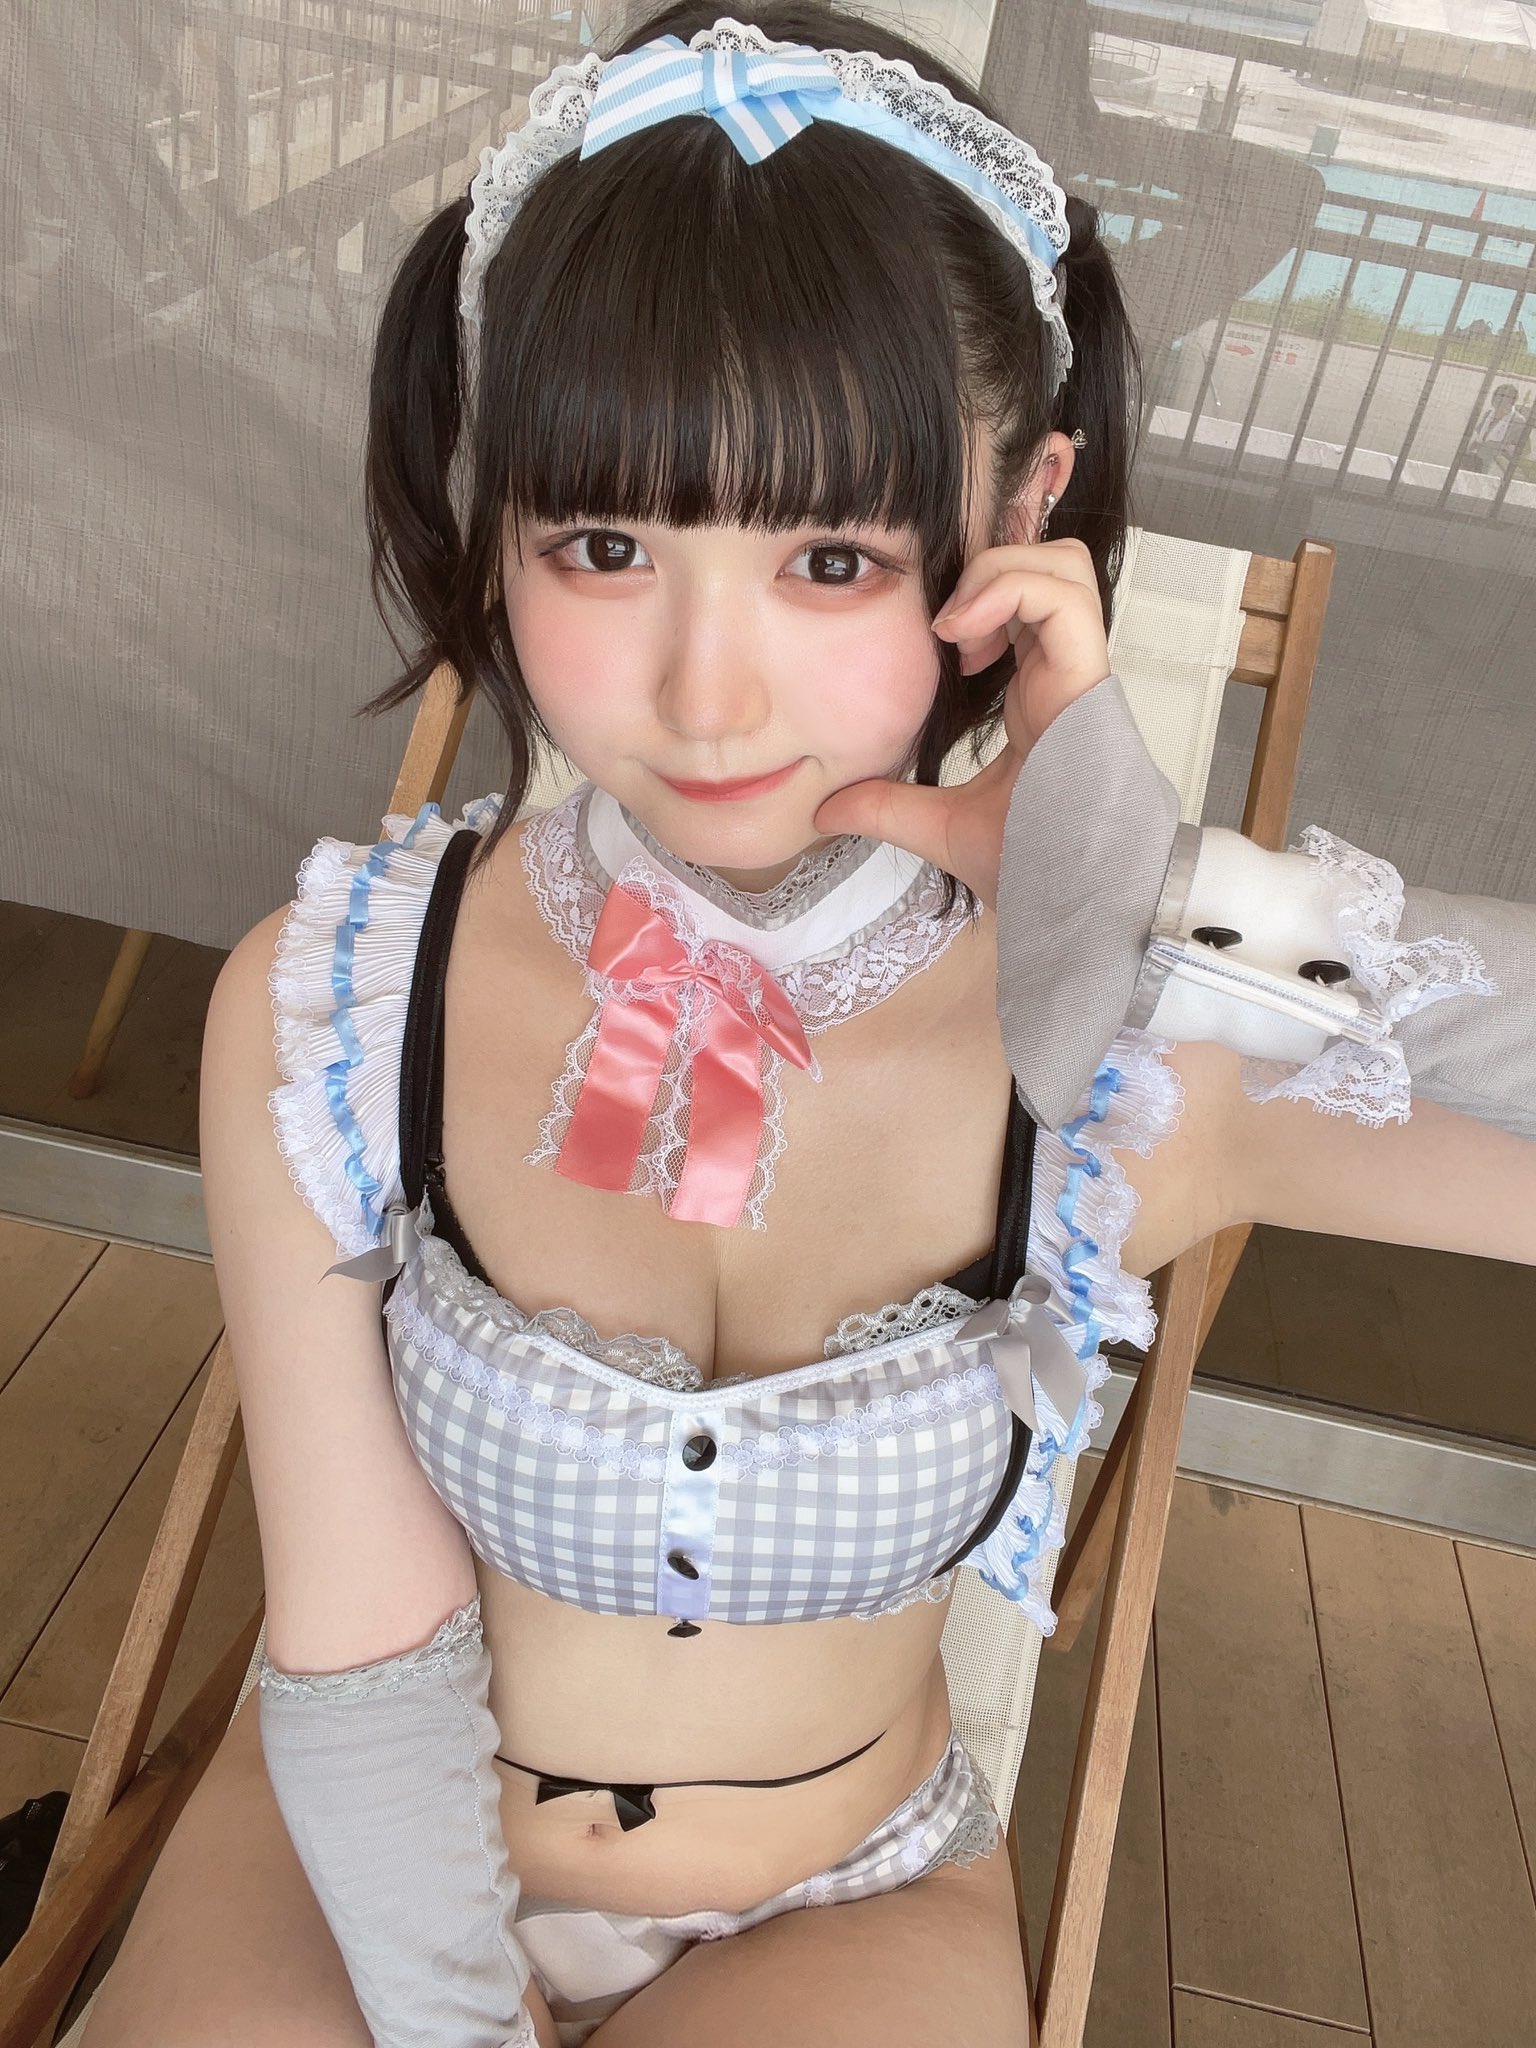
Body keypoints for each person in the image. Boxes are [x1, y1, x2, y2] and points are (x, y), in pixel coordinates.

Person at [84, 7, 1535, 2046]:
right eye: (605, 545)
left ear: (1022, 510)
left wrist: (1163, 899)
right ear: (500, 514)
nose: (706, 693)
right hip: (354, 1858)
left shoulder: (1144, 1054)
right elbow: (359, 1638)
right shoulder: (337, 1008)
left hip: (842, 1906)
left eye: (830, 556)